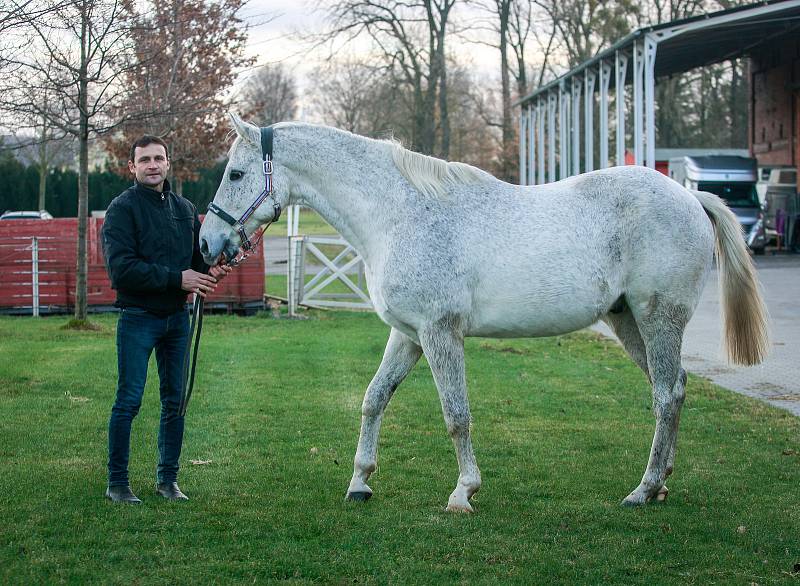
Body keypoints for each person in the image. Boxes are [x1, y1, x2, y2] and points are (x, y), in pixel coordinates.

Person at [102, 135, 231, 504]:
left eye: (159, 158)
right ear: (132, 167)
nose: (153, 165)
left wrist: (211, 269)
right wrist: (179, 279)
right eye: (145, 160)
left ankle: (168, 481)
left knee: (175, 401)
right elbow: (121, 270)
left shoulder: (186, 208)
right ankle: (118, 484)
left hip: (177, 320)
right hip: (138, 318)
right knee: (128, 401)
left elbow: (196, 262)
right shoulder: (121, 209)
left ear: (169, 163)